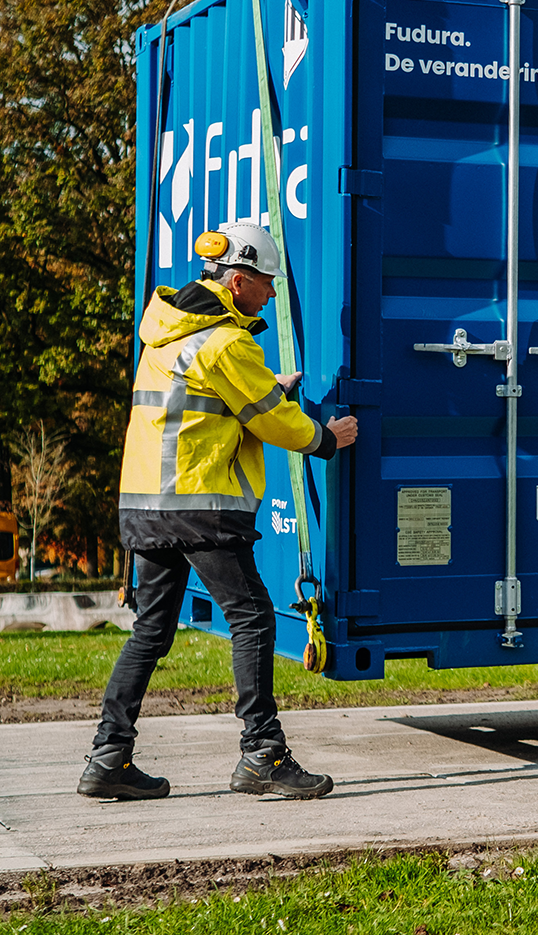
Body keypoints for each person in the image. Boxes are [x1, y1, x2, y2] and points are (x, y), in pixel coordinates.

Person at [78, 221, 358, 802]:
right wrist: (327, 439)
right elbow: (270, 421)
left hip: (147, 507)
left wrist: (264, 386)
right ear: (236, 281)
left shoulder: (166, 334)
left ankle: (107, 757)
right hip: (201, 505)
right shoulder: (227, 342)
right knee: (254, 616)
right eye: (265, 282)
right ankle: (263, 755)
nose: (273, 293)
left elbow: (201, 403)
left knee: (151, 631)